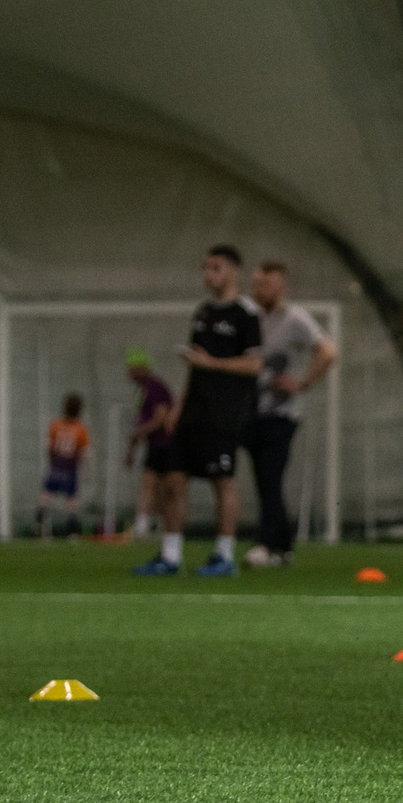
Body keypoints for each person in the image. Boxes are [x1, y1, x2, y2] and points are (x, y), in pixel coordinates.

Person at [134, 245, 262, 577]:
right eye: (205, 268)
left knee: (222, 480)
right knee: (172, 479)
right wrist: (178, 405)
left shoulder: (246, 314)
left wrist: (213, 363)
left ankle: (224, 556)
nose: (209, 274)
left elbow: (255, 364)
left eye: (216, 268)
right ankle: (170, 555)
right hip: (192, 410)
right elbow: (194, 364)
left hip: (224, 412)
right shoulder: (203, 312)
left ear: (234, 271)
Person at [244, 260, 335, 568]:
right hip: (252, 412)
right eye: (256, 284)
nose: (259, 290)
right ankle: (283, 548)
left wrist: (303, 383)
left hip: (281, 415)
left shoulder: (296, 318)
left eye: (265, 284)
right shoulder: (251, 318)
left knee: (270, 476)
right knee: (263, 480)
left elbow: (327, 351)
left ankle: (268, 544)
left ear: (281, 286)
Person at [125, 351, 175, 541]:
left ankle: (145, 525)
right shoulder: (143, 388)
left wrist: (139, 433)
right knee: (154, 486)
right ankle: (153, 525)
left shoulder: (154, 387)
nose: (128, 372)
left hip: (164, 444)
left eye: (131, 368)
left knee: (154, 486)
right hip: (155, 444)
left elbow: (160, 418)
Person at [38, 393, 89, 538]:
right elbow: (82, 452)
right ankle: (73, 530)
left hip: (56, 464)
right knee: (71, 497)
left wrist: (52, 461)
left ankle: (39, 519)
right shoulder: (81, 429)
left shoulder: (55, 425)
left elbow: (49, 446)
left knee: (47, 493)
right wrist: (85, 470)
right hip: (70, 466)